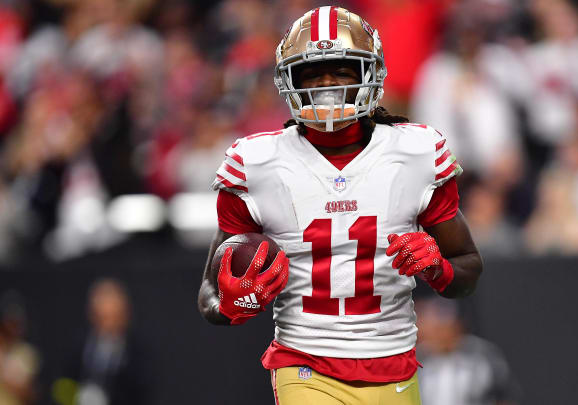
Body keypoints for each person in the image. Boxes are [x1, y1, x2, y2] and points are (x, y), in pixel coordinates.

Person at [197, 6, 483, 404]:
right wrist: (233, 301)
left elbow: (468, 270)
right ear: (289, 80)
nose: (326, 84)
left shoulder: (415, 152)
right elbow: (210, 295)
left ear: (371, 74)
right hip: (304, 364)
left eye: (341, 70)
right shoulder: (255, 164)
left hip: (394, 366)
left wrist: (437, 267)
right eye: (312, 72)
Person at [415, 297, 518, 405]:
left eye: (441, 327)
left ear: (457, 325)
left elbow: (505, 395)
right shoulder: (420, 358)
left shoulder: (482, 353)